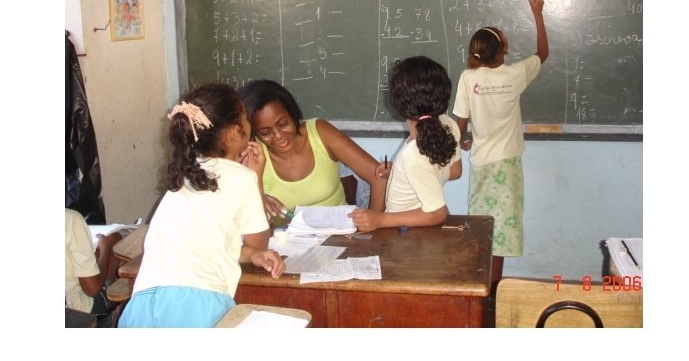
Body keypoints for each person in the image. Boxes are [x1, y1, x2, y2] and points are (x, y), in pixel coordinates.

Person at [119, 82, 285, 328]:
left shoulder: (185, 174)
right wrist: (257, 176)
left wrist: (252, 255)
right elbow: (259, 241)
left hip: (143, 304)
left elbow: (209, 246)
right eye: (245, 119)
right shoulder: (242, 177)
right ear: (234, 132)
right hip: (197, 305)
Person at [452, 0, 549, 288]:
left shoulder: (468, 78)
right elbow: (542, 53)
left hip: (481, 164)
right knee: (502, 232)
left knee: (482, 227)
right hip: (507, 165)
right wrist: (537, 14)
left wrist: (462, 141)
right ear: (503, 50)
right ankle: (495, 289)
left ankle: (480, 286)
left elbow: (461, 121)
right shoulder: (515, 74)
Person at [239, 80, 390, 217]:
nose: (278, 136)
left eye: (283, 124)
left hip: (339, 234)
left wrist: (374, 223)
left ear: (292, 113)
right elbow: (230, 199)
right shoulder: (251, 153)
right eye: (265, 133)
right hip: (283, 237)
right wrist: (257, 196)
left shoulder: (321, 132)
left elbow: (379, 176)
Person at [349, 56, 462, 232]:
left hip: (407, 232)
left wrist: (379, 219)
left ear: (397, 104)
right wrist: (399, 171)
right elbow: (454, 171)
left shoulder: (413, 154)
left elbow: (438, 214)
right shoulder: (449, 125)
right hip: (421, 230)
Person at [65, 208, 123, 323]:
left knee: (95, 254)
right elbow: (92, 289)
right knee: (116, 242)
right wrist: (105, 250)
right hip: (75, 312)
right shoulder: (70, 219)